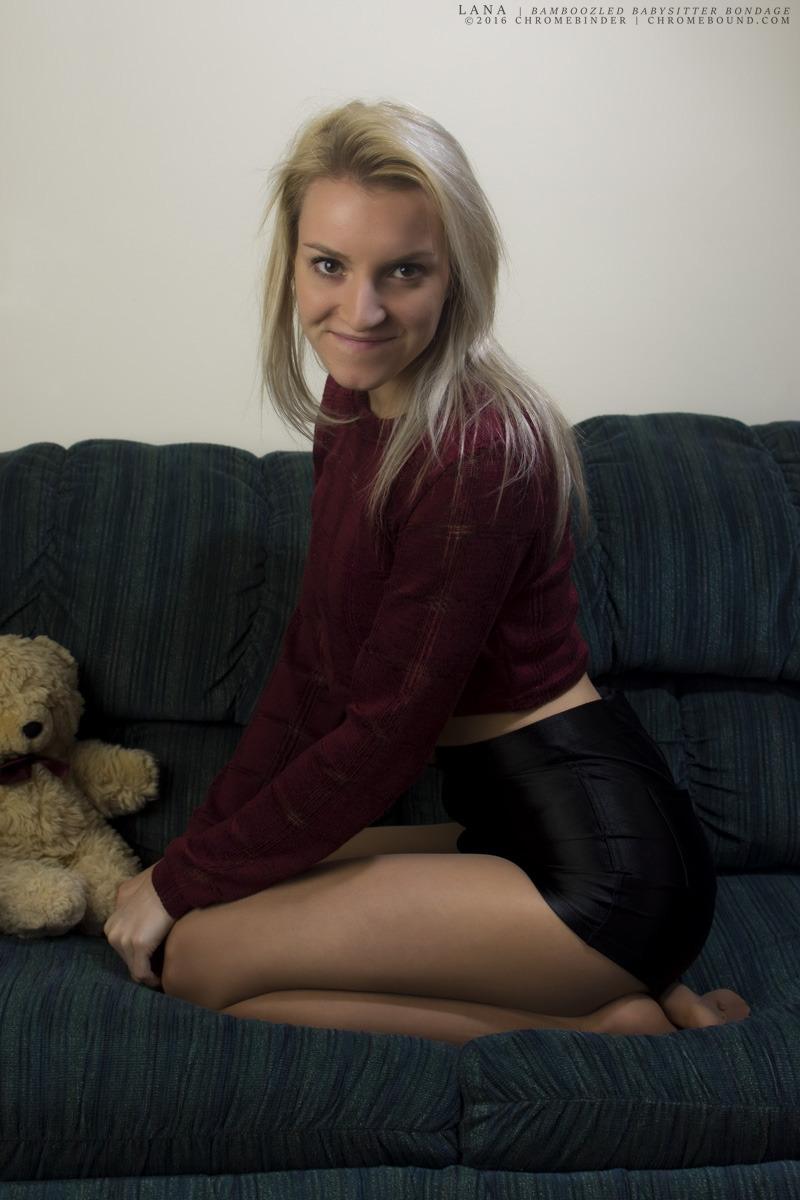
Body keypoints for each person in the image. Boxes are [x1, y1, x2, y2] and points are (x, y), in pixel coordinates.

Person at [105, 99, 749, 1045]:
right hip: (500, 831)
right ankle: (603, 998)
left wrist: (178, 884)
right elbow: (312, 667)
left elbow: (384, 734)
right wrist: (191, 861)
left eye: (403, 271)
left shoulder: (477, 452)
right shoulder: (352, 401)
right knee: (204, 913)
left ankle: (609, 1027)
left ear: (457, 277)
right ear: (291, 262)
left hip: (602, 875)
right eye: (330, 265)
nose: (359, 311)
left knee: (198, 959)